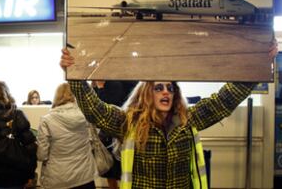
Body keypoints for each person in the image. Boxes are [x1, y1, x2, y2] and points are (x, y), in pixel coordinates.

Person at [60, 44, 277, 188]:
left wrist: (257, 66)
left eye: (171, 88)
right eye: (159, 88)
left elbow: (223, 100)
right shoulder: (129, 123)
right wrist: (75, 77)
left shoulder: (187, 121)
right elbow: (94, 109)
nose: (166, 92)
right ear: (146, 94)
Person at [37, 83, 96, 189]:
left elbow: (42, 155)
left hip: (58, 178)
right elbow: (92, 141)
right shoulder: (85, 116)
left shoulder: (46, 120)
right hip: (85, 176)